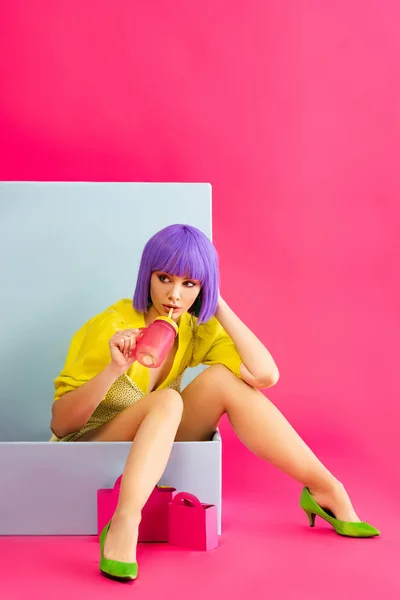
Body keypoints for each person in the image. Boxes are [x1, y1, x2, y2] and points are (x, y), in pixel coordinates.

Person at [50, 224, 379, 581]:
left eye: (189, 284)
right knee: (168, 401)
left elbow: (265, 375)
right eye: (164, 278)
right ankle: (125, 521)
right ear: (148, 276)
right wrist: (115, 368)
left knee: (223, 380)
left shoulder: (192, 330)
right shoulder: (112, 327)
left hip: (152, 445)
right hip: (92, 444)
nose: (174, 295)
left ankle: (325, 488)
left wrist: (216, 304)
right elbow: (61, 425)